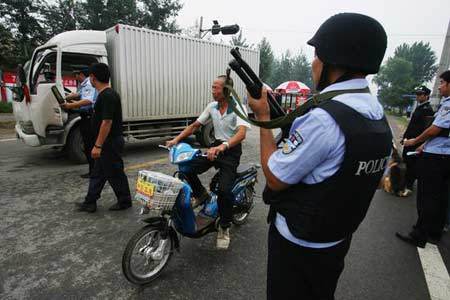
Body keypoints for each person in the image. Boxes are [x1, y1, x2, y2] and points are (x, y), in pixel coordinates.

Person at [248, 13, 392, 299]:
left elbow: (275, 177)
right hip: (336, 238)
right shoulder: (377, 115)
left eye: (317, 55)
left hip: (298, 241)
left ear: (334, 62)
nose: (313, 64)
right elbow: (375, 180)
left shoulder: (325, 118)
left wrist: (263, 117)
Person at [165, 75, 251, 250]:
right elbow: (195, 125)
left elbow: (241, 134)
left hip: (231, 150)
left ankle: (224, 227)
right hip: (215, 147)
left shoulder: (238, 108)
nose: (213, 91)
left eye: (216, 88)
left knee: (225, 190)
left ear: (226, 90)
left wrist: (224, 146)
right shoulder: (212, 107)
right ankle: (202, 194)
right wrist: (176, 139)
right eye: (212, 87)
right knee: (186, 168)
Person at [396, 70, 450, 247]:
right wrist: (423, 145)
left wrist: (416, 141)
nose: (440, 86)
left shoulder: (448, 105)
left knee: (427, 196)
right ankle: (434, 230)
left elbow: (435, 129)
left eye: (442, 83)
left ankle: (419, 234)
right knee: (440, 196)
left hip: (437, 157)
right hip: (443, 155)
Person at [76, 63, 132, 213]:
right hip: (107, 142)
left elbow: (107, 122)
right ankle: (90, 201)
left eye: (90, 78)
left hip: (110, 142)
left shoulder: (107, 95)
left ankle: (125, 201)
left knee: (115, 172)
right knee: (98, 173)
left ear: (93, 78)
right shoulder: (105, 94)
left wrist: (98, 145)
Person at [62, 68, 98, 178]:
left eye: (76, 75)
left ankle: (94, 171)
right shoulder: (84, 84)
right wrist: (66, 98)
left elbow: (88, 100)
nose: (75, 77)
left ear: (81, 74)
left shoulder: (88, 83)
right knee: (89, 145)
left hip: (88, 117)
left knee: (89, 146)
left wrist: (70, 105)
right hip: (86, 116)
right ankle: (94, 170)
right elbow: (78, 95)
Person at [400, 85, 434, 196]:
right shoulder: (420, 107)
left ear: (427, 96)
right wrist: (404, 137)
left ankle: (409, 186)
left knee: (412, 164)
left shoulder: (428, 110)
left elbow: (427, 129)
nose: (418, 96)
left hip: (416, 142)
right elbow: (412, 126)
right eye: (417, 94)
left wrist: (422, 143)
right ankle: (404, 182)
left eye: (420, 94)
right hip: (409, 140)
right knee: (406, 160)